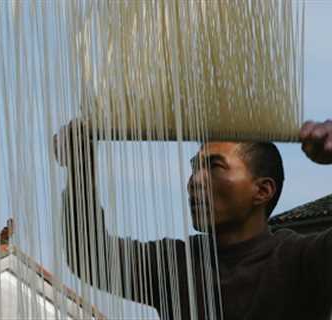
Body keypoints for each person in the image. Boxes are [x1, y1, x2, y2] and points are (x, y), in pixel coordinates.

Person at [54, 119, 332, 320]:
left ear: (262, 190)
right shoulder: (176, 265)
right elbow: (90, 255)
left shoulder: (303, 260)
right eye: (195, 168)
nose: (194, 181)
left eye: (214, 167)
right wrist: (80, 169)